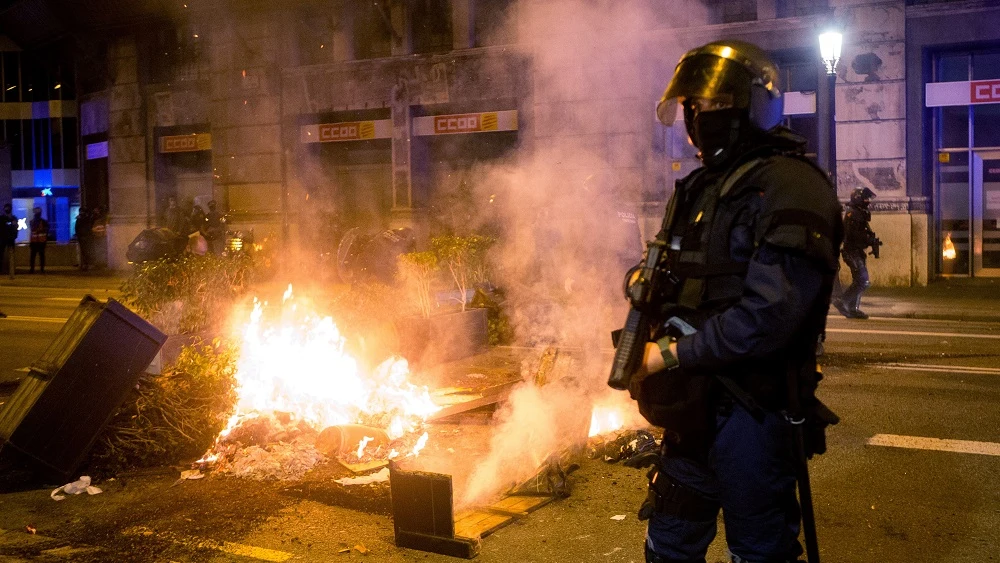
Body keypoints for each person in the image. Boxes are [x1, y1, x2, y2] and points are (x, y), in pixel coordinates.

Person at [624, 40, 843, 563]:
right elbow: (677, 269)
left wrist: (670, 354)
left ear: (755, 105)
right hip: (691, 407)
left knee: (758, 551)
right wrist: (641, 282)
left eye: (718, 106)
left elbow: (770, 316)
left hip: (754, 408)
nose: (702, 118)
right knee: (670, 541)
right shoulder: (700, 187)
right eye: (694, 108)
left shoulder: (791, 186)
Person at [832, 187, 879, 319]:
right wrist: (868, 239)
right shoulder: (852, 214)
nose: (868, 201)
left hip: (857, 251)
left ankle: (853, 309)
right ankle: (843, 301)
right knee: (863, 280)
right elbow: (852, 235)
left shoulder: (858, 213)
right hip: (851, 251)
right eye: (865, 198)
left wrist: (871, 240)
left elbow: (860, 232)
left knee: (859, 280)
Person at [28, 207, 49, 274]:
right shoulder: (32, 221)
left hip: (40, 241)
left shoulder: (43, 222)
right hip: (36, 241)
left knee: (40, 256)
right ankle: (33, 269)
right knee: (34, 256)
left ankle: (41, 269)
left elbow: (46, 231)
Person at [1, 203, 18, 278]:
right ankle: (2, 269)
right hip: (3, 238)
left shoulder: (14, 218)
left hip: (11, 239)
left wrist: (14, 236)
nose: (7, 209)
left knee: (11, 255)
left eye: (8, 208)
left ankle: (11, 270)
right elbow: (2, 226)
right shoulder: (2, 218)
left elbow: (15, 227)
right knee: (1, 254)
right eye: (6, 208)